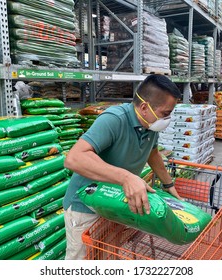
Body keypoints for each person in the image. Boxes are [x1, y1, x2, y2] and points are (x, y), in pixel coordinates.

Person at [63, 74, 182, 260]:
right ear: (144, 107)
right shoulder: (114, 119)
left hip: (114, 202)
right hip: (86, 205)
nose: (168, 119)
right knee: (83, 260)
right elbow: (74, 158)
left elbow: (153, 153)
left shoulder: (150, 126)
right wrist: (126, 177)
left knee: (108, 255)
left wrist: (169, 186)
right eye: (165, 114)